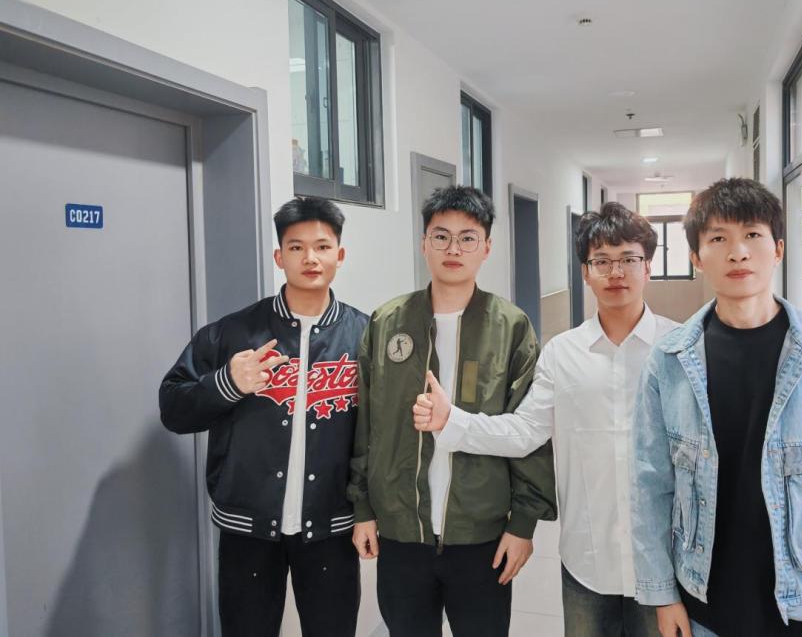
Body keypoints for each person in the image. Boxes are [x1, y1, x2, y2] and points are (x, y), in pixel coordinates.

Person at [630, 178, 802, 637]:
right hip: (702, 607)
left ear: (778, 250)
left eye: (752, 234)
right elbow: (649, 487)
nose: (737, 253)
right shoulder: (668, 362)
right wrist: (663, 595)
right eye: (718, 239)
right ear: (696, 257)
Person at [413, 201, 676, 636]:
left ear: (648, 266)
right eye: (602, 261)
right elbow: (525, 432)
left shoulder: (679, 347)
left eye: (629, 259)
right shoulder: (562, 353)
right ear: (585, 272)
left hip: (665, 559)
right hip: (587, 559)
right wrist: (451, 421)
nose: (616, 272)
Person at [348, 185, 557, 637]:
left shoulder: (511, 327)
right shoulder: (387, 322)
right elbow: (366, 426)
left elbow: (530, 431)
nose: (453, 249)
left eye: (467, 238)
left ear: (487, 247)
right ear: (424, 243)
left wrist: (523, 524)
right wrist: (362, 507)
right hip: (402, 531)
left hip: (481, 534)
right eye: (441, 236)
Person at [159, 196, 367, 637]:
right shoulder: (232, 333)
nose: (310, 258)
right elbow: (172, 408)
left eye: (322, 247)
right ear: (279, 257)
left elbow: (379, 436)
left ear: (340, 255)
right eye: (296, 247)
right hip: (247, 529)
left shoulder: (364, 336)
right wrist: (227, 382)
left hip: (331, 527)